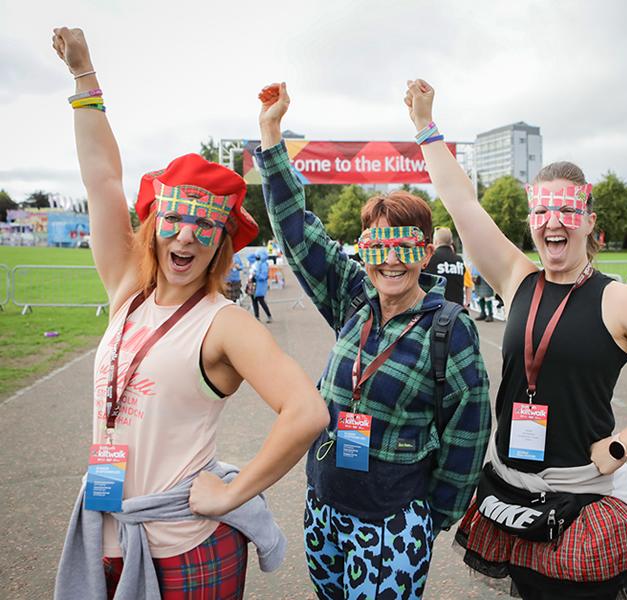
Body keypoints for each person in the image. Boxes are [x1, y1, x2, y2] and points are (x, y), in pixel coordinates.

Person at [404, 79, 627, 600]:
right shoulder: (517, 278)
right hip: (512, 488)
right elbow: (462, 204)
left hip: (583, 498)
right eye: (542, 213)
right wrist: (424, 126)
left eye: (567, 214)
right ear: (531, 221)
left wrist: (625, 444)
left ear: (590, 223)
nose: (553, 224)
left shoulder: (619, 301)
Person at [50, 28, 329, 600]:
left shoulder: (223, 322)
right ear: (153, 227)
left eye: (205, 227)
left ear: (222, 243)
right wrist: (84, 75)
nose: (186, 237)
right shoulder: (127, 286)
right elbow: (102, 179)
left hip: (183, 547)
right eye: (174, 222)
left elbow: (307, 411)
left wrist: (232, 494)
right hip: (103, 535)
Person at [255, 83, 492, 599]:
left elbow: (469, 430)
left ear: (425, 253)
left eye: (405, 246)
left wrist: (433, 517)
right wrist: (271, 135)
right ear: (364, 251)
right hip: (326, 505)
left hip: (393, 522)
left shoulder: (448, 329)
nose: (391, 260)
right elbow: (297, 232)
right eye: (378, 245)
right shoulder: (352, 298)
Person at [423, 226, 472, 308]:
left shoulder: (431, 257)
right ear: (451, 241)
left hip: (435, 308)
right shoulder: (459, 260)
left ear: (436, 241)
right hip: (456, 309)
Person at [249, 249, 273, 323]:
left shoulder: (264, 264)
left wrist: (255, 274)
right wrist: (255, 253)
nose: (257, 257)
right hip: (253, 284)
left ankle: (269, 316)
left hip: (260, 285)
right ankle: (257, 317)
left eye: (258, 255)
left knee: (261, 301)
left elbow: (263, 276)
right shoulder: (256, 262)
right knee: (254, 300)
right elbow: (249, 257)